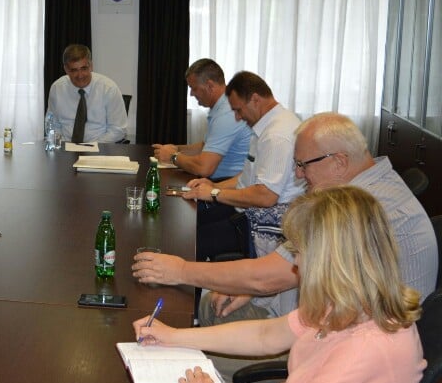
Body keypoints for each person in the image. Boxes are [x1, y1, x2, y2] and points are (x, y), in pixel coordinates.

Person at [134, 186, 425, 383]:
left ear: (329, 260)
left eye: (299, 251)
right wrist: (173, 336)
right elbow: (266, 335)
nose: (296, 262)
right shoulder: (351, 302)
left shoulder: (363, 351)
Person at [132, 112, 438, 324]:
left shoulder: (354, 209)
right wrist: (253, 288)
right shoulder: (377, 184)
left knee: (196, 321)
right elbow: (282, 276)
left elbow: (269, 277)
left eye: (303, 165)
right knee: (208, 304)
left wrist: (181, 270)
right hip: (326, 318)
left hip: (334, 348)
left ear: (339, 161)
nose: (299, 175)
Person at [182, 71, 304, 261]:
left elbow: (265, 196)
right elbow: (248, 176)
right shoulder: (265, 125)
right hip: (248, 209)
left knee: (190, 242)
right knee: (190, 222)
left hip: (264, 224)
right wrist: (213, 186)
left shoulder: (276, 135)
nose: (238, 118)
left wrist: (214, 194)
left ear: (255, 99)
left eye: (238, 110)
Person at [152, 59, 251, 181]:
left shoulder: (227, 112)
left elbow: (204, 168)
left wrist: (173, 157)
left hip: (227, 183)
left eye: (194, 88)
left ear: (210, 86)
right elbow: (204, 147)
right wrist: (176, 149)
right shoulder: (221, 106)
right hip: (220, 180)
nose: (191, 94)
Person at [46, 44, 127, 143]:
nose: (80, 75)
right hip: (65, 146)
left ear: (91, 66)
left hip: (100, 147)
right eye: (74, 70)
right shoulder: (57, 88)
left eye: (84, 68)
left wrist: (92, 147)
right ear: (66, 69)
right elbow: (52, 125)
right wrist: (61, 145)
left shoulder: (109, 89)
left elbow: (118, 130)